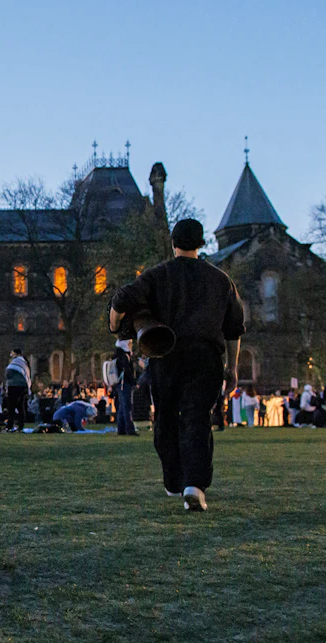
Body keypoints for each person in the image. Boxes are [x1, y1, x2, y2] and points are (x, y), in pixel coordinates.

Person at [110, 218, 245, 512]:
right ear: (201, 243)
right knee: (197, 419)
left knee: (166, 419)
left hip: (165, 354)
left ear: (173, 243)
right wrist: (232, 368)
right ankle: (194, 485)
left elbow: (122, 298)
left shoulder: (157, 276)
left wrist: (114, 324)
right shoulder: (221, 280)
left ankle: (173, 480)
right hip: (205, 357)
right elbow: (234, 328)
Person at [113, 339, 138, 436]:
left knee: (122, 407)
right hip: (125, 383)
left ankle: (121, 429)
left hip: (121, 384)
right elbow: (127, 371)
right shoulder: (124, 356)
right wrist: (133, 382)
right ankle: (129, 429)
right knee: (127, 406)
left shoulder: (119, 356)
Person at [4, 348, 31, 432]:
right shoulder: (24, 362)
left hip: (14, 386)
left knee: (11, 406)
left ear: (17, 354)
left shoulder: (16, 362)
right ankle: (21, 425)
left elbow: (8, 373)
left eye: (13, 353)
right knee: (21, 406)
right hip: (23, 386)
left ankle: (10, 425)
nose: (12, 355)